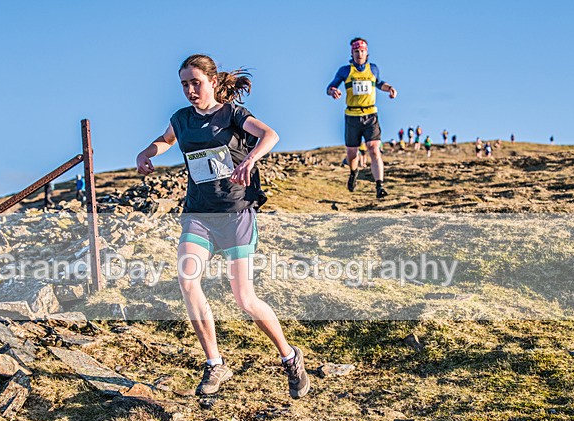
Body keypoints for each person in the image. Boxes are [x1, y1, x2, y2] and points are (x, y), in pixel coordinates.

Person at [135, 54, 310, 399]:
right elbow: (167, 139)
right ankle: (215, 363)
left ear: (213, 82)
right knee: (187, 281)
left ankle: (289, 357)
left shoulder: (231, 114)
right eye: (184, 84)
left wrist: (250, 160)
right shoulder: (181, 118)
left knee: (244, 298)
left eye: (195, 83)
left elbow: (270, 135)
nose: (189, 90)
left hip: (235, 212)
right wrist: (145, 153)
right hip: (198, 214)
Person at [326, 37, 397, 197]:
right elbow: (330, 86)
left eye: (362, 51)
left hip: (370, 114)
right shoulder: (345, 70)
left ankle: (380, 186)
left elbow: (379, 83)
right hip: (352, 116)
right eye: (356, 51)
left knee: (373, 148)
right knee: (352, 153)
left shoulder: (373, 69)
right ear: (352, 53)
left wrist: (390, 88)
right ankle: (353, 172)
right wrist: (333, 91)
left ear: (367, 53)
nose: (359, 54)